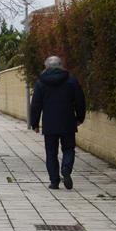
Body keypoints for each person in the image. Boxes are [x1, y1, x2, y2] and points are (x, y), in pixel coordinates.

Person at [30, 57, 86, 190]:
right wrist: (80, 118)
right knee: (69, 148)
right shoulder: (71, 80)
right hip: (68, 121)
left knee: (51, 153)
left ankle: (54, 181)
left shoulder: (41, 82)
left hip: (49, 123)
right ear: (61, 65)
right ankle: (66, 168)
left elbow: (36, 104)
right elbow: (80, 100)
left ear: (46, 66)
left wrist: (35, 123)